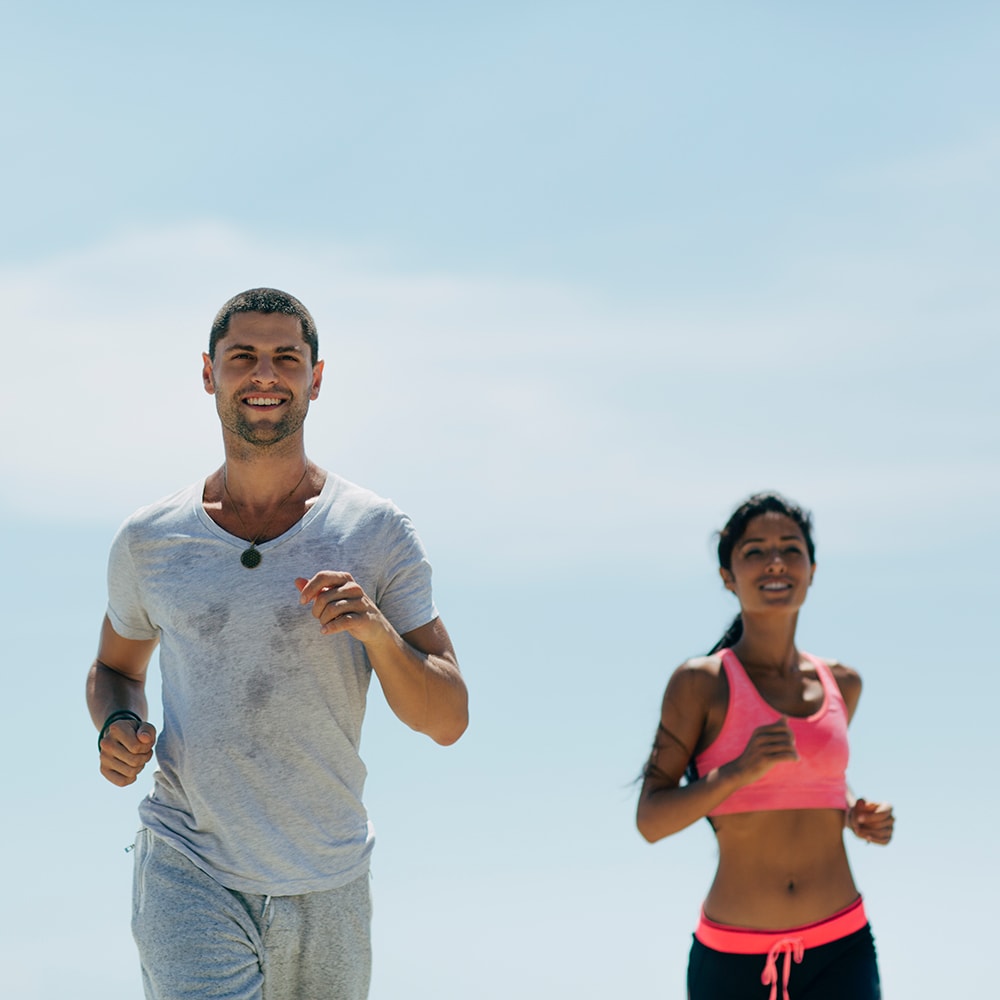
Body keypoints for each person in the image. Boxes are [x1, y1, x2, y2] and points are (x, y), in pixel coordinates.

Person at [86, 287, 469, 1000]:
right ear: (209, 373)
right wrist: (117, 723)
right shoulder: (150, 538)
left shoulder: (374, 530)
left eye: (286, 358)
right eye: (243, 358)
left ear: (315, 379)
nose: (265, 375)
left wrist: (379, 636)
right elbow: (115, 667)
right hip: (188, 859)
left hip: (329, 877)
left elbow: (447, 718)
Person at [636, 492, 893, 1000]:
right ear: (727, 576)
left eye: (790, 549)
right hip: (733, 958)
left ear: (813, 569)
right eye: (754, 551)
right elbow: (650, 821)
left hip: (842, 945)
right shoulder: (699, 683)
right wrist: (735, 771)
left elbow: (811, 792)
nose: (775, 561)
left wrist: (854, 816)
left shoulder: (844, 683)